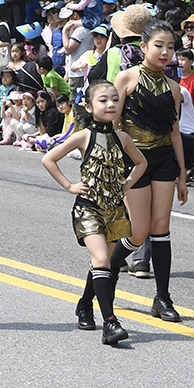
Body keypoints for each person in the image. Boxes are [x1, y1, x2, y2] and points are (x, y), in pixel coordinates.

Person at [42, 80, 148, 346]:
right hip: (88, 208)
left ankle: (85, 304)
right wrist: (70, 186)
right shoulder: (83, 136)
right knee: (101, 260)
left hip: (114, 210)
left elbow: (141, 162)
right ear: (89, 106)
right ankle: (110, 322)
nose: (111, 104)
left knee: (105, 263)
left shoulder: (122, 138)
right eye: (103, 100)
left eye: (115, 99)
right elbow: (49, 159)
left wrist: (128, 182)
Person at [111, 19, 187, 321]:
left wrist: (182, 174)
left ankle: (162, 298)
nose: (165, 52)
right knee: (139, 232)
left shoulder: (175, 88)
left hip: (165, 159)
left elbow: (175, 132)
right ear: (143, 47)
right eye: (159, 46)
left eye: (171, 47)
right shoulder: (126, 79)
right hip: (133, 159)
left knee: (161, 228)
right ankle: (107, 273)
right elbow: (112, 126)